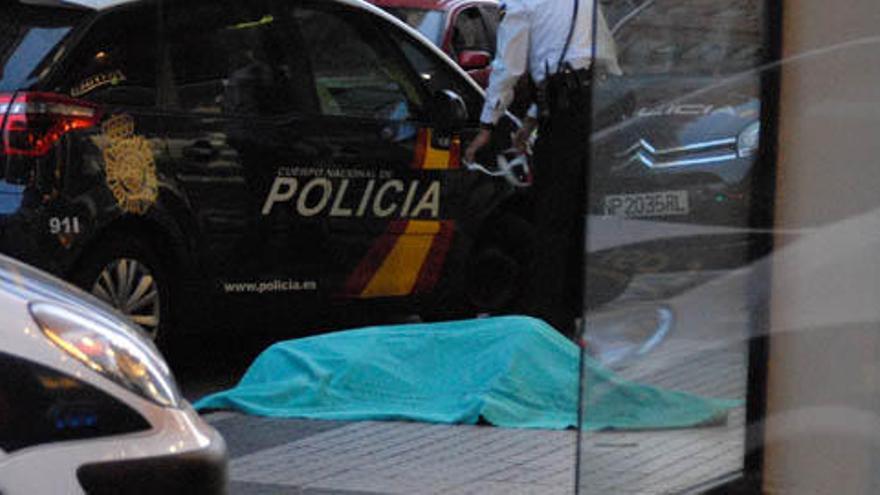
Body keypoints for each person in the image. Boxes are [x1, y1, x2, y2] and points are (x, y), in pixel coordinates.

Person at [464, 0, 620, 335]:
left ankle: (546, 318)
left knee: (551, 217)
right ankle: (575, 311)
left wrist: (487, 124)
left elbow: (509, 66)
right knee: (579, 212)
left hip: (565, 116)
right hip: (596, 106)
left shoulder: (524, 2)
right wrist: (533, 117)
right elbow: (590, 60)